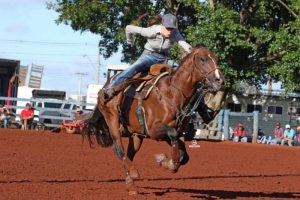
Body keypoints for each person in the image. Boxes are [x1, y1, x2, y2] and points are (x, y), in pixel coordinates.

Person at [103, 13, 192, 100]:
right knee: (134, 67)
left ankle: (198, 104)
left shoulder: (175, 33)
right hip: (149, 56)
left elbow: (184, 44)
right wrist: (130, 41)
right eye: (168, 28)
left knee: (181, 70)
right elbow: (128, 28)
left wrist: (194, 51)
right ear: (162, 25)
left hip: (164, 59)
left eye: (172, 29)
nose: (170, 31)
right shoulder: (150, 31)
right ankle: (109, 88)